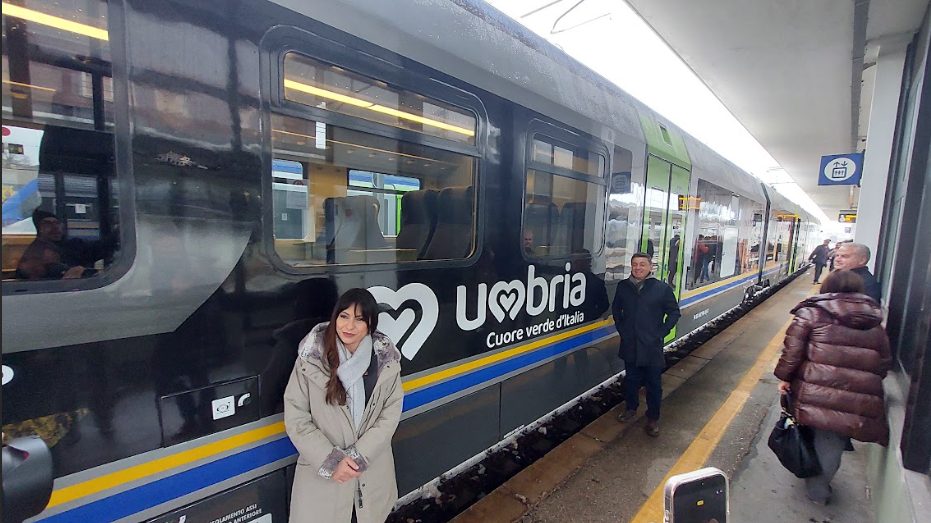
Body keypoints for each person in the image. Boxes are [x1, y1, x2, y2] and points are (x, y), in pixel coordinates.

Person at [284, 288, 403, 523]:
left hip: (372, 471)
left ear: (371, 324)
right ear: (334, 317)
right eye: (344, 316)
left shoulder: (385, 361)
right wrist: (332, 461)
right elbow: (296, 417)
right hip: (323, 479)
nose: (349, 326)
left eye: (359, 319)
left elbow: (390, 414)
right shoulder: (312, 359)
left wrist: (360, 456)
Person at [774, 270, 890, 505]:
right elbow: (884, 362)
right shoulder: (874, 320)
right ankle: (818, 482)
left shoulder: (811, 313)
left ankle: (817, 490)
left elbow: (792, 352)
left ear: (826, 286)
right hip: (854, 395)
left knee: (809, 430)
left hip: (814, 388)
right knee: (832, 441)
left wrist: (784, 377)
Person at [613, 253, 681, 437]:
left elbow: (674, 313)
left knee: (653, 384)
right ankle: (631, 409)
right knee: (631, 380)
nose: (638, 268)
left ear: (650, 267)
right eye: (635, 264)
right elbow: (616, 310)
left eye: (642, 264)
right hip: (630, 344)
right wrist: (623, 330)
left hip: (651, 346)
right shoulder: (623, 287)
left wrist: (661, 333)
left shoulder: (662, 289)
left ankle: (652, 418)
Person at [15, 208, 116, 279]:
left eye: (57, 223)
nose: (55, 228)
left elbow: (101, 247)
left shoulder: (75, 246)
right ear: (37, 229)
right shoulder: (32, 250)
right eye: (47, 224)